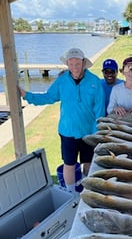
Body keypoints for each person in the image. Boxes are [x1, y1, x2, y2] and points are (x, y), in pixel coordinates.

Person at [18, 48, 105, 193]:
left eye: (77, 64)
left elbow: (100, 110)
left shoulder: (95, 81)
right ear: (67, 65)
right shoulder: (62, 81)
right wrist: (27, 95)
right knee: (69, 164)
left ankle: (88, 191)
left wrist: (96, 133)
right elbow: (48, 97)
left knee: (88, 163)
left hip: (88, 132)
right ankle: (71, 194)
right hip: (67, 131)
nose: (74, 68)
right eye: (71, 64)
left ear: (83, 63)